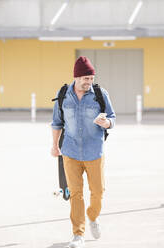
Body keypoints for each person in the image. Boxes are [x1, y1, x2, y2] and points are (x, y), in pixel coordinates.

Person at [51, 56, 116, 248]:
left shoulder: (100, 94)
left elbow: (112, 117)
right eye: (86, 78)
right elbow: (57, 122)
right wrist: (55, 145)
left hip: (94, 151)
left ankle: (93, 217)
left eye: (91, 78)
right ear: (76, 77)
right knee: (75, 194)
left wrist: (107, 123)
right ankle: (77, 235)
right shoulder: (64, 94)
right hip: (70, 152)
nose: (89, 82)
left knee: (98, 191)